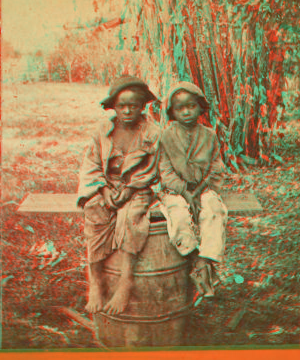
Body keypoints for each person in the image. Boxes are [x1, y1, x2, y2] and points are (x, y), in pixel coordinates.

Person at [77, 75, 160, 315]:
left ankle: (126, 281)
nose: (127, 110)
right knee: (94, 212)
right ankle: (95, 282)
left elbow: (152, 168)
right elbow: (91, 163)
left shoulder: (152, 133)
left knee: (131, 217)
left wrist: (130, 189)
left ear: (143, 105)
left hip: (136, 188)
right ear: (113, 106)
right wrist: (102, 188)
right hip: (105, 185)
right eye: (122, 105)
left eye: (133, 105)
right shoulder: (102, 132)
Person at [158, 81, 228, 299]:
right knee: (178, 216)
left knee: (214, 211)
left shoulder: (209, 136)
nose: (186, 112)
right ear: (172, 112)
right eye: (180, 108)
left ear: (200, 107)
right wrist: (185, 192)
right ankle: (195, 259)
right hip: (175, 190)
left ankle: (204, 262)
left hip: (202, 188)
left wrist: (198, 192)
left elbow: (216, 167)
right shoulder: (166, 137)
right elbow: (165, 172)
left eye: (191, 106)